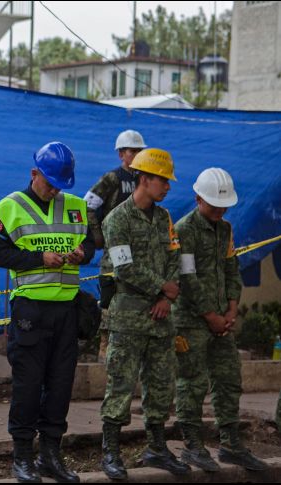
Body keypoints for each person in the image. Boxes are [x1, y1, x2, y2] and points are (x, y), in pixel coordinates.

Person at [0, 142, 95, 484]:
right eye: (50, 183)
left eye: (60, 185)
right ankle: (22, 456)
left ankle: (50, 454)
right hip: (30, 310)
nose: (54, 191)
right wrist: (38, 259)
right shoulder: (9, 208)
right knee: (28, 385)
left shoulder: (77, 207)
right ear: (34, 174)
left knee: (61, 385)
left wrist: (83, 253)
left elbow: (93, 243)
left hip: (66, 309)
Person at [99, 148, 190, 479]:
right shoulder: (117, 219)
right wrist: (161, 289)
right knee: (121, 384)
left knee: (161, 385)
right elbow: (124, 268)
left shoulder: (164, 218)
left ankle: (157, 447)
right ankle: (110, 452)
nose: (167, 187)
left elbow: (174, 257)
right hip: (128, 317)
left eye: (167, 182)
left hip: (161, 318)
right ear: (144, 179)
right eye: (162, 181)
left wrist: (167, 296)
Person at [173, 167, 268, 472]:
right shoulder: (183, 230)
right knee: (192, 382)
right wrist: (210, 315)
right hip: (191, 320)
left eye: (224, 205)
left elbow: (231, 268)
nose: (220, 210)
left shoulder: (225, 229)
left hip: (220, 320)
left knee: (228, 379)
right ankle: (193, 445)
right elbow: (186, 279)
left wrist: (230, 309)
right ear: (198, 198)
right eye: (215, 204)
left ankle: (230, 443)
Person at [83, 130, 147, 361]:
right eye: (132, 151)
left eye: (140, 150)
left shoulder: (144, 178)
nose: (137, 155)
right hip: (113, 249)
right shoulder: (112, 178)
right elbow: (87, 205)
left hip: (138, 249)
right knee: (110, 296)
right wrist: (97, 234)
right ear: (121, 154)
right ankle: (105, 347)